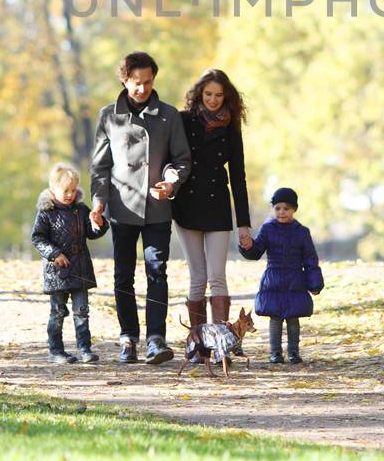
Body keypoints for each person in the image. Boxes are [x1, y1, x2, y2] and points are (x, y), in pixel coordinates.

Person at [90, 51, 192, 365]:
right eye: (136, 83)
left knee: (157, 272)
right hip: (121, 208)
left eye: (148, 82)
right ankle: (128, 339)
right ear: (125, 80)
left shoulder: (169, 115)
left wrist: (170, 182)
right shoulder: (109, 115)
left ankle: (155, 339)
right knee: (123, 276)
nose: (142, 89)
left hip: (157, 209)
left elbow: (181, 160)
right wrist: (98, 203)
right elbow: (99, 167)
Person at [172, 68, 252, 357]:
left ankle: (222, 344)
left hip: (218, 205)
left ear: (226, 96)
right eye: (208, 94)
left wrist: (243, 223)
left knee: (218, 275)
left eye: (219, 95)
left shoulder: (231, 128)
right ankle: (197, 345)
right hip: (186, 205)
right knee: (197, 276)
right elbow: (170, 160)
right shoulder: (182, 121)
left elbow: (239, 176)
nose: (214, 100)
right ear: (199, 94)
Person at [31, 162, 109, 364]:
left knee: (82, 311)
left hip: (80, 268)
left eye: (73, 190)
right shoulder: (46, 212)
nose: (70, 194)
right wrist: (54, 253)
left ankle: (85, 348)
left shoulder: (80, 210)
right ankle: (55, 350)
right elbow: (38, 238)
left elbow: (92, 233)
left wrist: (99, 223)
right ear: (53, 189)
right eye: (65, 190)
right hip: (58, 271)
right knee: (58, 312)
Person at [238, 186, 323, 365]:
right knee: (275, 318)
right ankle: (275, 353)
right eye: (278, 208)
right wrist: (248, 246)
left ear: (294, 209)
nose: (282, 212)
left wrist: (314, 283)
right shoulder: (268, 229)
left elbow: (310, 258)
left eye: (286, 208)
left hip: (295, 280)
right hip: (273, 280)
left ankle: (293, 352)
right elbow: (257, 250)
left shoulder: (302, 232)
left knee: (293, 318)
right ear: (273, 209)